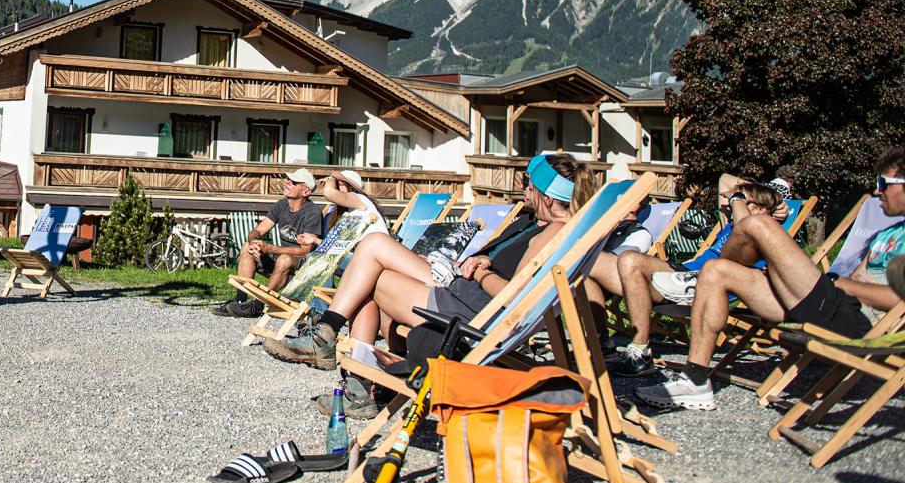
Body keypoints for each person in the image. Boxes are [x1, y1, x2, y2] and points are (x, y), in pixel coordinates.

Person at [263, 152, 597, 371]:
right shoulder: (543, 226)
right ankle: (336, 350)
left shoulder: (556, 233)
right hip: (460, 290)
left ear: (548, 196)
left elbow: (517, 297)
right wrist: (478, 261)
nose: (524, 191)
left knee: (370, 260)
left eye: (529, 185)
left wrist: (481, 273)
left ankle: (339, 356)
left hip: (470, 310)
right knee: (371, 259)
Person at [636, 146, 905, 411]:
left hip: (862, 323)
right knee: (716, 271)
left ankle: (695, 281)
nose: (877, 191)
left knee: (759, 224)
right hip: (834, 306)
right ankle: (695, 380)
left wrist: (839, 283)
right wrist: (838, 283)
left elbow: (897, 299)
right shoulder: (887, 233)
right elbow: (857, 277)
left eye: (883, 183)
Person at [607, 174, 783, 376]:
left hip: (701, 285)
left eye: (742, 201)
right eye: (735, 200)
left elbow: (746, 226)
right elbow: (724, 179)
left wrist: (744, 198)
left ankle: (639, 350)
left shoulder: (762, 234)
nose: (732, 204)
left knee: (629, 263)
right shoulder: (730, 222)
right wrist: (764, 196)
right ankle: (601, 346)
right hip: (681, 273)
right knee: (614, 260)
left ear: (761, 210)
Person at [212, 168, 326, 318]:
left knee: (284, 259)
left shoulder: (312, 213)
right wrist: (254, 243)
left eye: (294, 182)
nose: (287, 182)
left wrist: (271, 248)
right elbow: (257, 231)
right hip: (279, 258)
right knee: (247, 247)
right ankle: (240, 301)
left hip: (300, 264)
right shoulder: (281, 205)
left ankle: (257, 305)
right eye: (288, 179)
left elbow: (305, 251)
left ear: (306, 192)